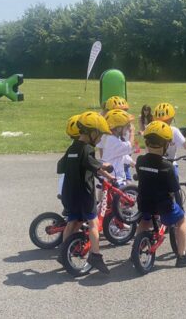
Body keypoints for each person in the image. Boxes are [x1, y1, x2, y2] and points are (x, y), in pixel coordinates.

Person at [135, 120, 186, 268]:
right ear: (166, 145)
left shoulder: (140, 161)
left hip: (144, 202)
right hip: (163, 205)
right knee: (181, 218)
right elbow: (174, 189)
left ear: (146, 141)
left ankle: (136, 249)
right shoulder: (168, 167)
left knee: (145, 221)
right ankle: (182, 255)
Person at [57, 111, 114, 274]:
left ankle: (63, 252)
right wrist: (105, 166)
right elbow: (92, 164)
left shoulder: (72, 148)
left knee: (71, 222)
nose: (101, 138)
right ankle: (95, 256)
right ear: (93, 132)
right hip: (84, 194)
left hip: (69, 193)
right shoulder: (88, 149)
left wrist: (105, 173)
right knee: (93, 224)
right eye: (100, 135)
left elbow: (62, 166)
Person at [153, 102, 186, 179]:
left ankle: (176, 191)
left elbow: (184, 142)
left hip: (171, 163)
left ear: (171, 119)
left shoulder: (174, 131)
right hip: (156, 163)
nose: (164, 123)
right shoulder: (153, 131)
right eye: (161, 121)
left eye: (166, 121)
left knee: (175, 178)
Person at [96, 109, 135, 186]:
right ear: (118, 128)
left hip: (112, 178)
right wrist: (132, 132)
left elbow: (120, 155)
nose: (128, 128)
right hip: (115, 179)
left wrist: (131, 162)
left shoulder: (113, 138)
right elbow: (129, 147)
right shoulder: (112, 140)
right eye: (127, 126)